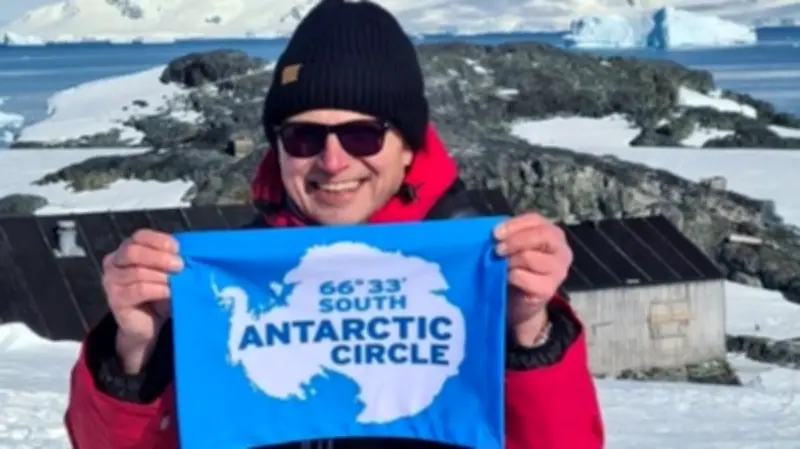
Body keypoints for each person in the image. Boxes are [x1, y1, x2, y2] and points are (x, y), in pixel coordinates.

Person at [63, 1, 604, 448]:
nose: (333, 161)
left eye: (363, 134)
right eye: (303, 137)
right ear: (277, 148)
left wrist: (530, 337)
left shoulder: (487, 277)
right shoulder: (215, 289)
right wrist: (133, 355)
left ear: (409, 148)